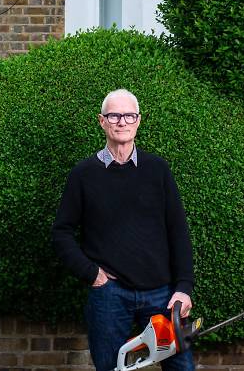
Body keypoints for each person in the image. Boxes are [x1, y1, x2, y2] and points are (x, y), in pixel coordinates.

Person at [52, 88, 195, 371]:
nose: (122, 121)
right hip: (109, 296)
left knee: (181, 367)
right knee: (109, 368)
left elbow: (177, 230)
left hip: (161, 296)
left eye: (129, 115)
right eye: (114, 115)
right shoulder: (83, 174)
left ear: (138, 120)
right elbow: (61, 232)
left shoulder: (158, 170)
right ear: (101, 121)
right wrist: (92, 274)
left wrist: (184, 287)